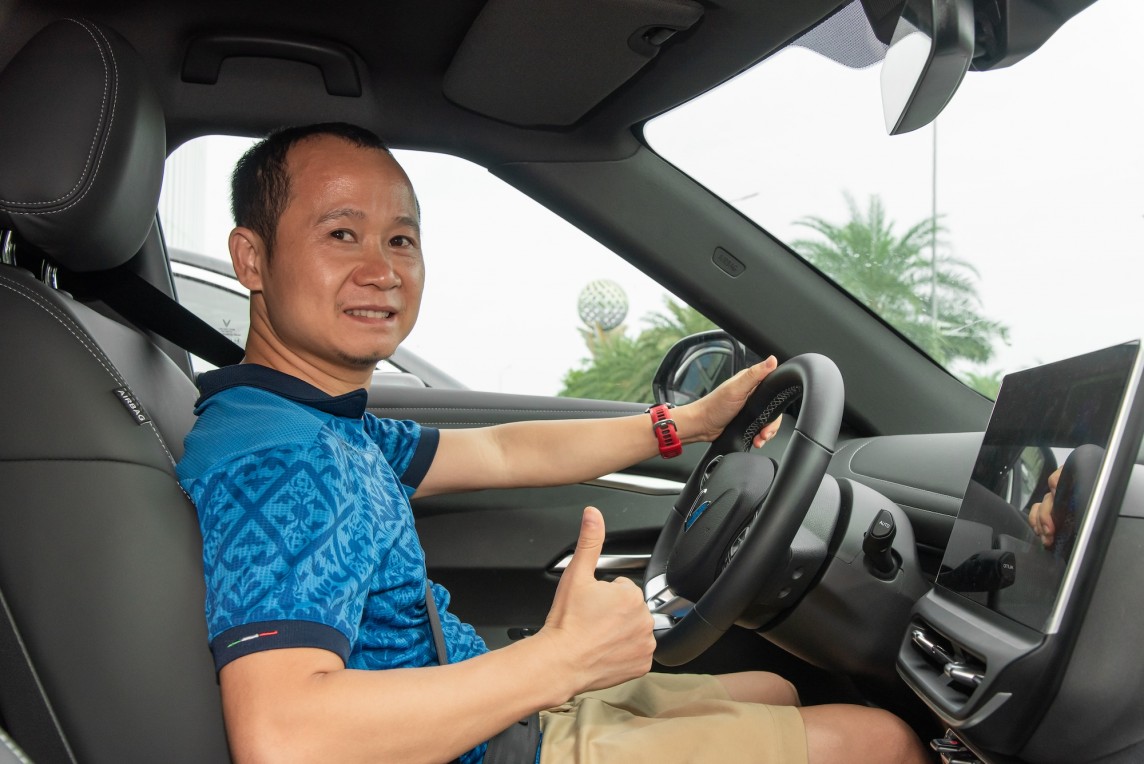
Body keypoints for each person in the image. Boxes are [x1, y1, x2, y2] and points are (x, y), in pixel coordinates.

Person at [176, 122, 929, 764]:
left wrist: (687, 423)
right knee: (882, 741)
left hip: (491, 712)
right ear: (251, 258)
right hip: (487, 747)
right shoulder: (283, 456)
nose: (382, 271)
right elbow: (285, 737)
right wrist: (559, 660)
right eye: (341, 234)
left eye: (400, 239)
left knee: (776, 687)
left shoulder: (317, 421)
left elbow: (506, 453)